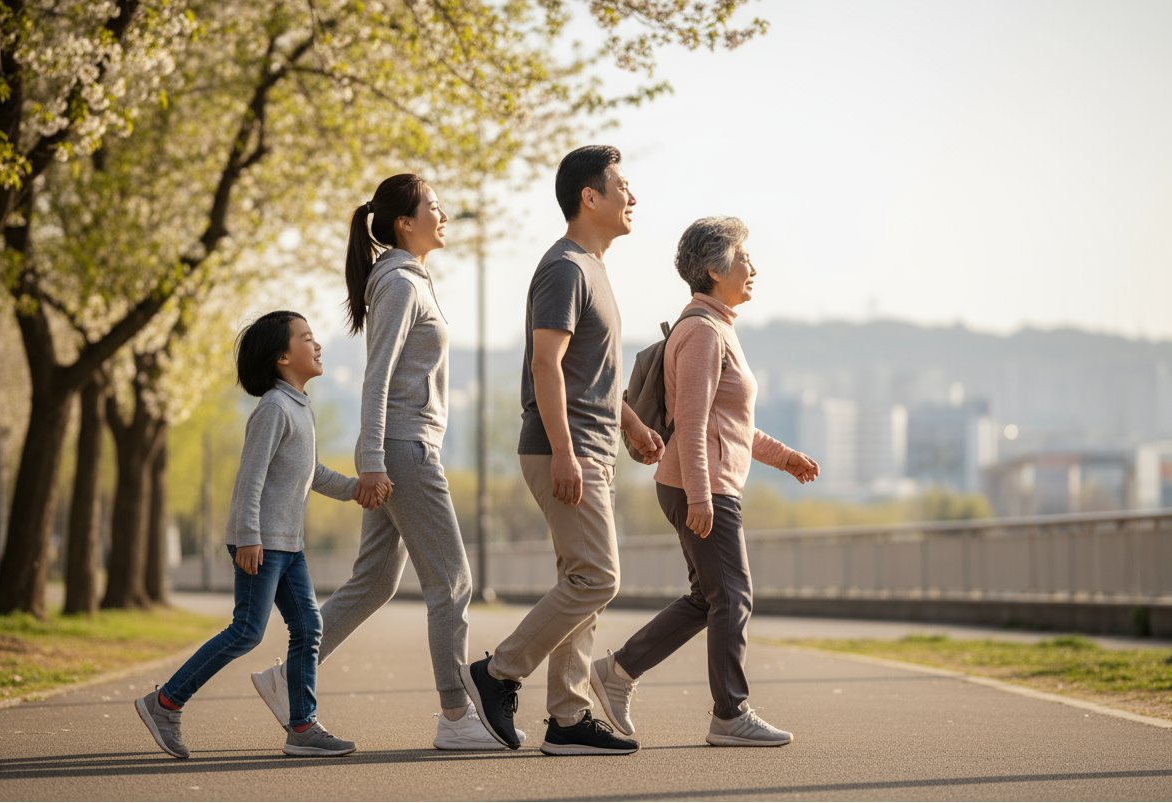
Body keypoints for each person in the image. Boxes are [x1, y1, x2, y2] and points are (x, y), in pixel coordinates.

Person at [249, 174, 520, 750]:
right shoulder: (399, 284)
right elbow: (377, 377)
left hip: (399, 446)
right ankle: (454, 715)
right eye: (434, 207)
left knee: (373, 582)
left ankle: (284, 677)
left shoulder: (407, 280)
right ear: (404, 222)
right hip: (403, 449)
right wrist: (373, 459)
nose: (443, 215)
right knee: (452, 580)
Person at [460, 145, 665, 756]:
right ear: (590, 197)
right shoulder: (566, 268)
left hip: (591, 444)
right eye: (623, 186)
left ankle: (569, 719)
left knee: (580, 578)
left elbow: (588, 373)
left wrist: (629, 423)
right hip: (564, 449)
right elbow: (544, 364)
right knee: (598, 576)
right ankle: (498, 673)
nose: (633, 197)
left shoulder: (594, 268)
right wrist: (566, 451)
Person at [589, 217, 820, 747]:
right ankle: (730, 715)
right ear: (715, 270)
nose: (753, 268)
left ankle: (617, 672)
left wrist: (785, 458)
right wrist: (700, 495)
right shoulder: (700, 332)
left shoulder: (715, 328)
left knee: (708, 597)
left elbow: (730, 426)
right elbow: (691, 424)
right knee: (733, 595)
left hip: (706, 482)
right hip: (703, 486)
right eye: (744, 259)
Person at [135, 311, 359, 759]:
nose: (317, 346)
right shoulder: (274, 408)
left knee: (308, 627)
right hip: (261, 541)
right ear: (282, 357)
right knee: (247, 631)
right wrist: (249, 537)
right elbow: (250, 480)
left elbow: (310, 473)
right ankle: (164, 704)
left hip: (287, 545)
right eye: (307, 338)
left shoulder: (300, 406)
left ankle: (301, 726)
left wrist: (358, 490)